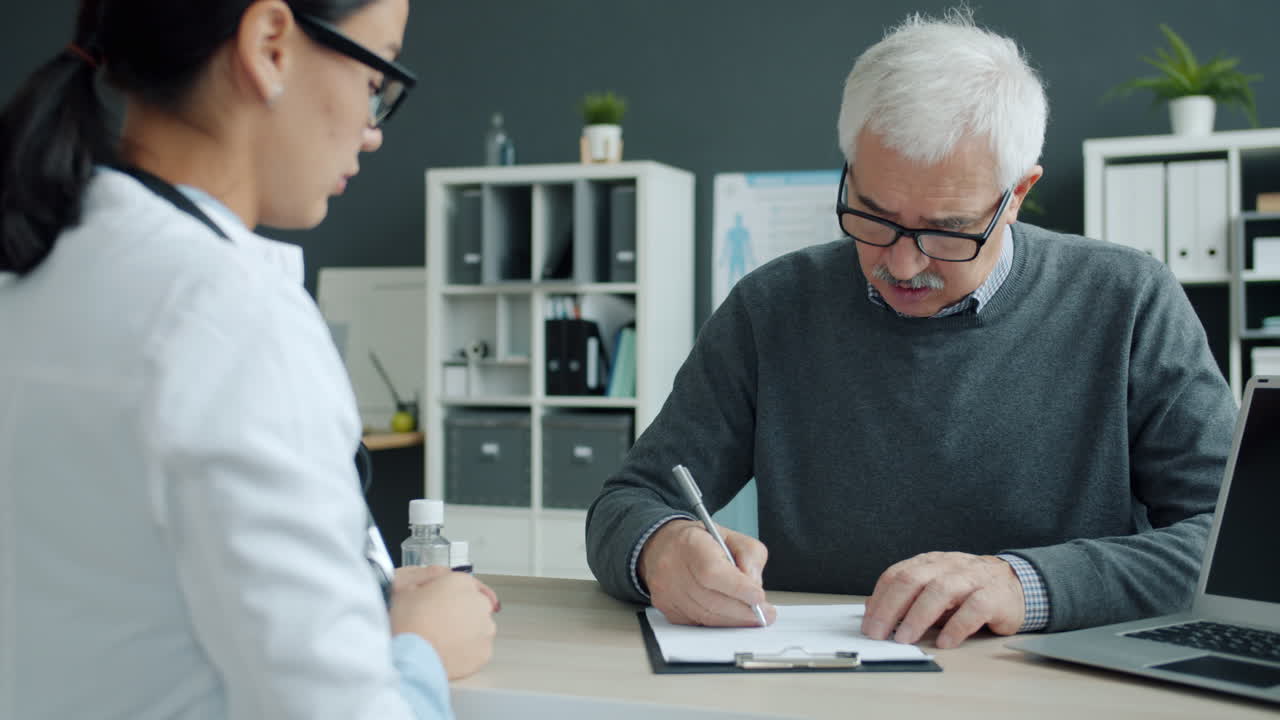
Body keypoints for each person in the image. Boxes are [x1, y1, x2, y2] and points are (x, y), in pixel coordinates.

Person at [585, 9, 1237, 650]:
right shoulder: (773, 307)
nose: (901, 263)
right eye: (873, 214)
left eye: (947, 229)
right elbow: (629, 502)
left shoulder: (1129, 301)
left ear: (1018, 194)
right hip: (818, 687)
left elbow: (1229, 541)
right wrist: (661, 550)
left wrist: (1027, 583)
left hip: (1050, 693)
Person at [0, 1, 497, 718]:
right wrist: (421, 651)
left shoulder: (39, 266)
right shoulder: (231, 317)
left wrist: (363, 598)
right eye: (375, 76)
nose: (372, 128)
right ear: (269, 45)